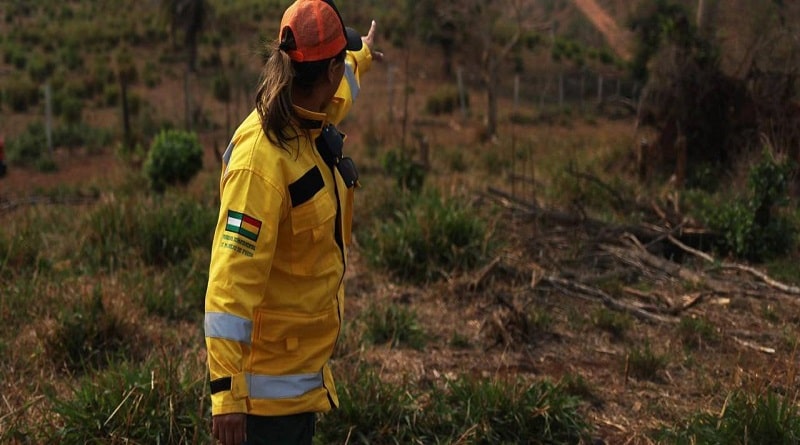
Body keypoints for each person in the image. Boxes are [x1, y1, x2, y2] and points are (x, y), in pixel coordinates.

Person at [203, 1, 382, 444]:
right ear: (328, 70)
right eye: (341, 61)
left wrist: (360, 55)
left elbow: (343, 92)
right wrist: (226, 396)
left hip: (298, 389)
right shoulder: (258, 166)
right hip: (263, 409)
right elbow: (229, 287)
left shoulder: (309, 119)